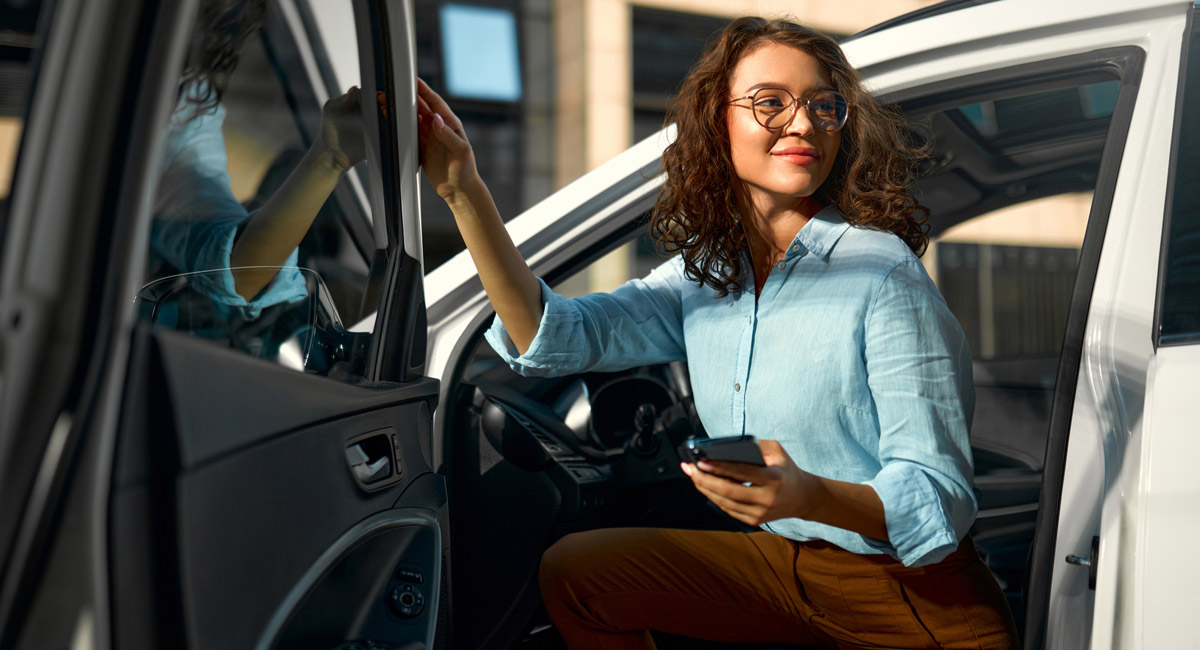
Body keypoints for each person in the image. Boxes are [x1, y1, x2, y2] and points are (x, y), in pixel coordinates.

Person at [417, 16, 1019, 650]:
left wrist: (809, 494)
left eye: (823, 106)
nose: (803, 123)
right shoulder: (706, 276)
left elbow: (938, 497)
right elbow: (553, 334)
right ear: (716, 122)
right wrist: (463, 191)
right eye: (770, 103)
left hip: (913, 600)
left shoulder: (884, 272)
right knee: (577, 575)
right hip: (787, 569)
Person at [150, 0, 365, 317]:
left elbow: (237, 272)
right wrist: (330, 160)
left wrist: (331, 159)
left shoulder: (185, 109)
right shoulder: (184, 107)